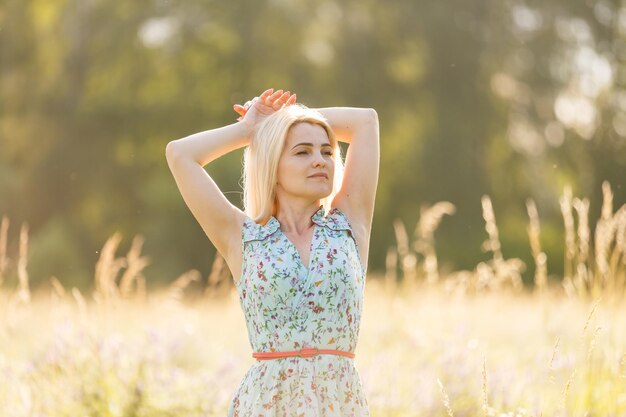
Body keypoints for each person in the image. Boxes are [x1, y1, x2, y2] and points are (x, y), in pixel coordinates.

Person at [165, 88, 379, 415]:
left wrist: (284, 119)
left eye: (326, 151)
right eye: (302, 152)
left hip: (339, 403)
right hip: (267, 404)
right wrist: (251, 130)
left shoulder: (350, 223)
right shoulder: (243, 238)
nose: (320, 160)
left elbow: (365, 121)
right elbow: (180, 154)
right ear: (272, 164)